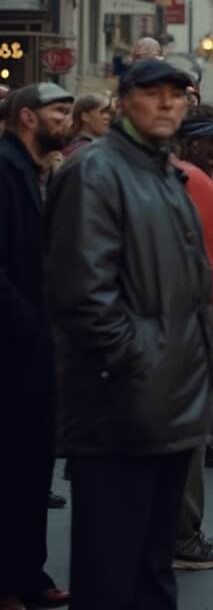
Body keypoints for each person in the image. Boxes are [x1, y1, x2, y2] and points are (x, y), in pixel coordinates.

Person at [44, 61, 213, 610]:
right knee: (110, 576)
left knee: (151, 571)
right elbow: (83, 296)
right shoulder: (95, 172)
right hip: (121, 411)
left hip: (168, 407)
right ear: (124, 103)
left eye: (177, 94)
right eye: (153, 93)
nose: (167, 104)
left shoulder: (163, 172)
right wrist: (145, 362)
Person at [0, 84, 73, 610]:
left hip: (36, 348)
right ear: (27, 117)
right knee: (13, 468)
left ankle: (29, 573)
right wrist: (33, 327)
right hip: (14, 350)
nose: (66, 120)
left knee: (32, 467)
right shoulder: (5, 171)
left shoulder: (36, 170)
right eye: (58, 112)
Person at [170, 114, 213, 572]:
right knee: (188, 433)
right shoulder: (189, 179)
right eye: (212, 144)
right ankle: (183, 537)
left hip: (187, 320)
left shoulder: (183, 176)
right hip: (192, 323)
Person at [62, 94, 111, 159]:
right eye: (102, 112)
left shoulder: (96, 147)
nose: (107, 117)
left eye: (108, 113)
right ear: (85, 117)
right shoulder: (82, 150)